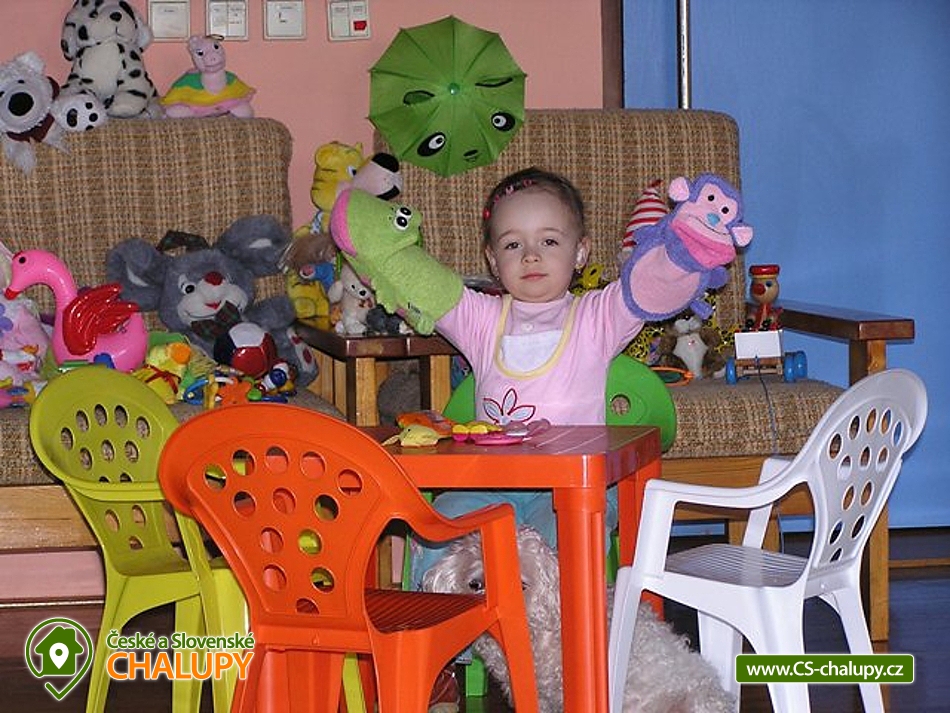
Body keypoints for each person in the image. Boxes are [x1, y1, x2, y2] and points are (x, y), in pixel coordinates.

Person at [329, 166, 748, 711]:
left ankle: (565, 664)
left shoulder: (597, 315)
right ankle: (439, 662)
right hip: (491, 486)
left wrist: (684, 250)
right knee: (432, 533)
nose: (531, 256)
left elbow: (643, 291)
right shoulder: (480, 318)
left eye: (549, 241)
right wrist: (370, 234)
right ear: (491, 259)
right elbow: (425, 282)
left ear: (579, 251)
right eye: (513, 244)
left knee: (560, 560)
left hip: (573, 494)